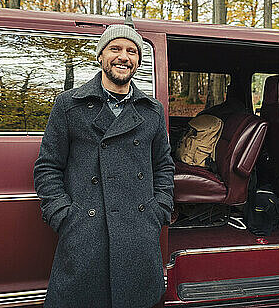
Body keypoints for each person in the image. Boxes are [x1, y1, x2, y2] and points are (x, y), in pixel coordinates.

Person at [33, 24, 175, 308]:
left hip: (138, 232)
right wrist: (63, 215)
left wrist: (159, 211)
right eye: (115, 48)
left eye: (132, 51)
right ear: (100, 56)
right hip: (86, 231)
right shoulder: (69, 105)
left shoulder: (152, 110)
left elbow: (163, 166)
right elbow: (47, 167)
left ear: (138, 60)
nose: (124, 56)